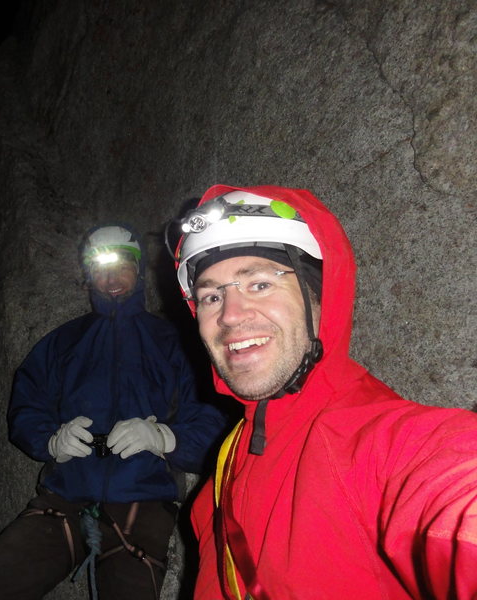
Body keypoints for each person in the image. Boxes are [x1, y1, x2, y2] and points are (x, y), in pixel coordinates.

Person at [165, 184, 477, 599]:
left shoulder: (380, 442)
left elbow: (453, 494)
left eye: (259, 284)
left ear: (320, 297)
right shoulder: (222, 473)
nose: (230, 315)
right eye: (211, 296)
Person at [0, 224, 228, 600]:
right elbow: (27, 405)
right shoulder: (62, 343)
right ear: (88, 275)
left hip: (141, 505)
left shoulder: (175, 344)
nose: (111, 278)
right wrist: (50, 441)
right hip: (62, 501)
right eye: (99, 267)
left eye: (121, 265)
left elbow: (214, 423)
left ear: (139, 269)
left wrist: (165, 438)